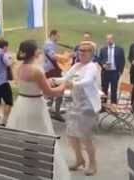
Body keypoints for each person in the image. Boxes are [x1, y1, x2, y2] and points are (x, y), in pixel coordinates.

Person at [6, 40, 70, 179]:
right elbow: (49, 93)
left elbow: (33, 85)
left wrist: (49, 82)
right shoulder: (36, 69)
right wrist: (64, 85)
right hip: (35, 106)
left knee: (23, 137)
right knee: (41, 136)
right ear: (35, 52)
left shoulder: (20, 68)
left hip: (21, 104)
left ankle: (25, 167)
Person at [54, 41, 101, 176]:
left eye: (85, 50)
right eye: (80, 50)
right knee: (71, 135)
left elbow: (87, 81)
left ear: (91, 53)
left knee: (86, 137)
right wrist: (52, 80)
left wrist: (72, 84)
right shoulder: (76, 65)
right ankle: (79, 159)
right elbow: (65, 78)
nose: (81, 52)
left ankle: (92, 163)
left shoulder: (92, 67)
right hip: (75, 104)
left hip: (88, 106)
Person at [43, 29, 64, 121]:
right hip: (52, 69)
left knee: (51, 90)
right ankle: (55, 113)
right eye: (57, 36)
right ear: (53, 35)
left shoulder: (49, 43)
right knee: (58, 89)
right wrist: (65, 57)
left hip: (51, 69)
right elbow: (53, 56)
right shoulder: (49, 44)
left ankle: (50, 111)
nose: (58, 38)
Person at [98, 34, 125, 104]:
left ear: (113, 39)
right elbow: (99, 59)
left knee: (114, 90)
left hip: (115, 72)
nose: (108, 40)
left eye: (110, 39)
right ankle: (103, 105)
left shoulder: (119, 49)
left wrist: (120, 72)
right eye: (107, 39)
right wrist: (103, 65)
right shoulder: (103, 49)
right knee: (104, 89)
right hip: (105, 72)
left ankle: (113, 105)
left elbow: (122, 61)